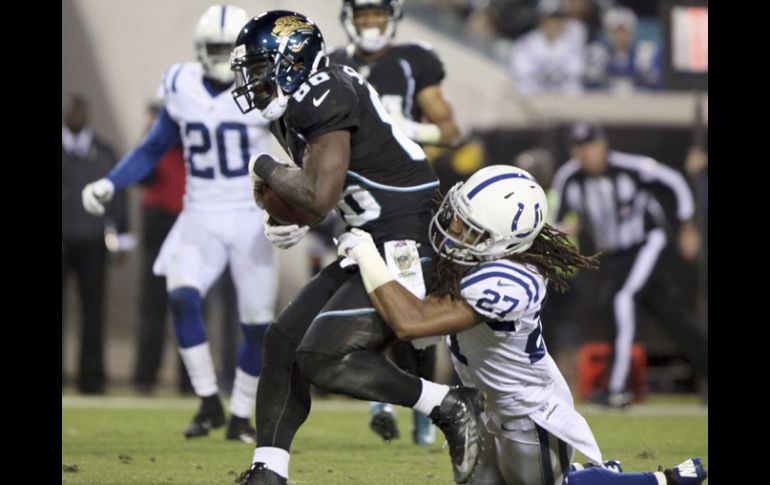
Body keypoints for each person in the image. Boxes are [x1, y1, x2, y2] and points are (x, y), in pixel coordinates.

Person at [229, 10, 484, 485]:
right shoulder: (294, 105)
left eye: (261, 71)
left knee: (323, 357)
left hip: (408, 236)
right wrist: (286, 217)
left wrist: (262, 167)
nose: (254, 84)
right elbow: (325, 192)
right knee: (283, 341)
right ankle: (268, 469)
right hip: (369, 236)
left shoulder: (324, 92)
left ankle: (449, 405)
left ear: (292, 62)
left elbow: (320, 195)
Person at [337, 164, 708, 485]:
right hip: (484, 406)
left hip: (528, 417)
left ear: (502, 243)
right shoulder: (479, 259)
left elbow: (411, 323)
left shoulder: (512, 281)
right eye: (457, 217)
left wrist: (367, 253)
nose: (452, 230)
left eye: (469, 230)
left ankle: (657, 479)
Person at [81, 5, 275, 442]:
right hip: (200, 211)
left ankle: (241, 414)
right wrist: (112, 184)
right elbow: (153, 147)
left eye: (232, 48)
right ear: (201, 50)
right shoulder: (180, 84)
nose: (225, 56)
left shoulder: (264, 87)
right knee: (182, 296)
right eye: (217, 48)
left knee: (256, 322)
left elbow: (302, 147)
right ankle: (209, 402)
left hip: (249, 213)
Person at [330, 0, 463, 445]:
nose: (371, 23)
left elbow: (450, 131)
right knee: (370, 296)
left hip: (407, 202)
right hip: (361, 203)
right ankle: (383, 398)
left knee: (415, 301)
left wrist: (408, 128)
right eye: (363, 14)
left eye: (377, 14)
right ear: (351, 18)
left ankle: (425, 409)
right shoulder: (335, 66)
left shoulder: (412, 62)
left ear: (392, 17)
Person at [549, 121, 707, 407]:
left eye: (590, 146)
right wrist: (564, 231)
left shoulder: (631, 167)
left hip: (647, 243)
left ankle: (616, 387)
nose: (585, 153)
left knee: (620, 300)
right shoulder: (569, 179)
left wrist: (686, 225)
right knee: (673, 316)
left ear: (603, 144)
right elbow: (559, 218)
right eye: (579, 148)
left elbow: (674, 181)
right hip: (614, 255)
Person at [63, 94, 130, 394]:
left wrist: (123, 237)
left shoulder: (104, 152)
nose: (74, 115)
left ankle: (92, 378)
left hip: (93, 240)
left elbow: (118, 194)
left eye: (79, 109)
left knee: (94, 312)